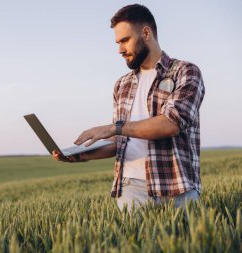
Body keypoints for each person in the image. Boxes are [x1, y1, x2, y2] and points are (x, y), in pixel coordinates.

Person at [53, 4, 205, 211]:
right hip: (130, 188)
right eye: (117, 43)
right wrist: (80, 156)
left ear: (146, 33)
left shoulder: (185, 72)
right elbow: (120, 142)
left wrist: (114, 127)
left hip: (177, 188)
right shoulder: (122, 84)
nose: (120, 50)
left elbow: (171, 124)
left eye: (125, 40)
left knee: (186, 244)